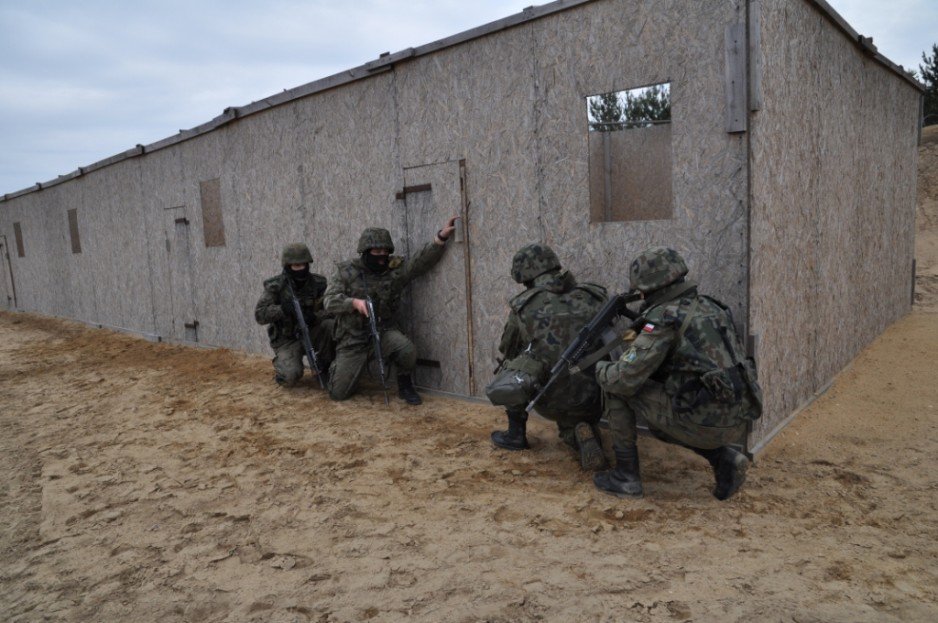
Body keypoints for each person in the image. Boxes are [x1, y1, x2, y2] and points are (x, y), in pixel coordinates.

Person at [592, 247, 763, 500]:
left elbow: (623, 379)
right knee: (660, 423)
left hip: (705, 423)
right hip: (738, 420)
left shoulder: (663, 318)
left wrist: (598, 368)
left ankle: (626, 477)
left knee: (614, 386)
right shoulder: (710, 306)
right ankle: (723, 458)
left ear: (649, 287)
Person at [486, 243, 609, 470]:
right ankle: (581, 432)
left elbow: (508, 348)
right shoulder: (595, 296)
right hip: (596, 396)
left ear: (525, 276)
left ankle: (515, 436)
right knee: (575, 416)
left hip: (548, 398)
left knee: (511, 367)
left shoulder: (524, 306)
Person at [323, 217, 457, 404]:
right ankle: (334, 367)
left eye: (385, 252)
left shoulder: (393, 270)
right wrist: (353, 303)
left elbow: (418, 264)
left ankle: (405, 385)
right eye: (377, 251)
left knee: (407, 350)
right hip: (353, 339)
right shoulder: (346, 272)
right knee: (338, 394)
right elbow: (329, 301)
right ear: (365, 252)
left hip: (383, 332)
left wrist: (440, 238)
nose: (382, 256)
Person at [254, 243, 335, 387]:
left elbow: (332, 309)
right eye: (295, 266)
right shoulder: (276, 286)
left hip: (312, 332)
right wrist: (282, 309)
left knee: (330, 326)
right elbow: (260, 315)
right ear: (287, 266)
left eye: (303, 265)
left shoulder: (318, 283)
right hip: (287, 340)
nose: (300, 269)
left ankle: (325, 365)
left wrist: (316, 316)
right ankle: (284, 366)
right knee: (290, 376)